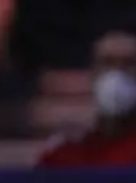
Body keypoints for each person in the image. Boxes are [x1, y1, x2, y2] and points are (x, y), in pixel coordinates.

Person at [38, 23, 136, 168]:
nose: (117, 74)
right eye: (107, 63)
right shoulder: (64, 152)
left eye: (129, 63)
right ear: (92, 73)